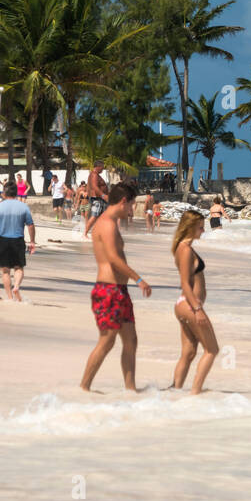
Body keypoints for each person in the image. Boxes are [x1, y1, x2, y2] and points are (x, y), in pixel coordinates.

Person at [81, 182, 151, 392]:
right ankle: (84, 387)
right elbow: (112, 258)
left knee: (131, 340)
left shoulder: (110, 222)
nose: (131, 211)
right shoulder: (107, 224)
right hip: (107, 290)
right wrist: (139, 279)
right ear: (123, 201)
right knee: (107, 341)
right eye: (131, 206)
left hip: (119, 292)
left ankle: (131, 390)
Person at [170, 210, 219, 395]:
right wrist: (197, 309)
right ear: (190, 226)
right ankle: (195, 392)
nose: (203, 229)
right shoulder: (185, 250)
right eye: (200, 226)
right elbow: (184, 283)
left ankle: (175, 391)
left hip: (185, 305)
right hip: (190, 305)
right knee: (212, 350)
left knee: (189, 352)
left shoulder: (185, 248)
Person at [0, 185, 37, 302]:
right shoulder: (23, 207)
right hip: (18, 239)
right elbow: (30, 225)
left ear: (4, 193)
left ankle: (10, 297)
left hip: (2, 239)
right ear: (16, 193)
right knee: (19, 267)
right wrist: (32, 241)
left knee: (5, 271)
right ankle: (17, 287)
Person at [82, 161, 109, 239]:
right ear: (98, 166)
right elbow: (94, 186)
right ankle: (85, 234)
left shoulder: (94, 174)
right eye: (102, 168)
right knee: (94, 216)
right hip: (98, 198)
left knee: (100, 217)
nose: (103, 170)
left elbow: (90, 187)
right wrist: (103, 195)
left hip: (98, 198)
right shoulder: (94, 175)